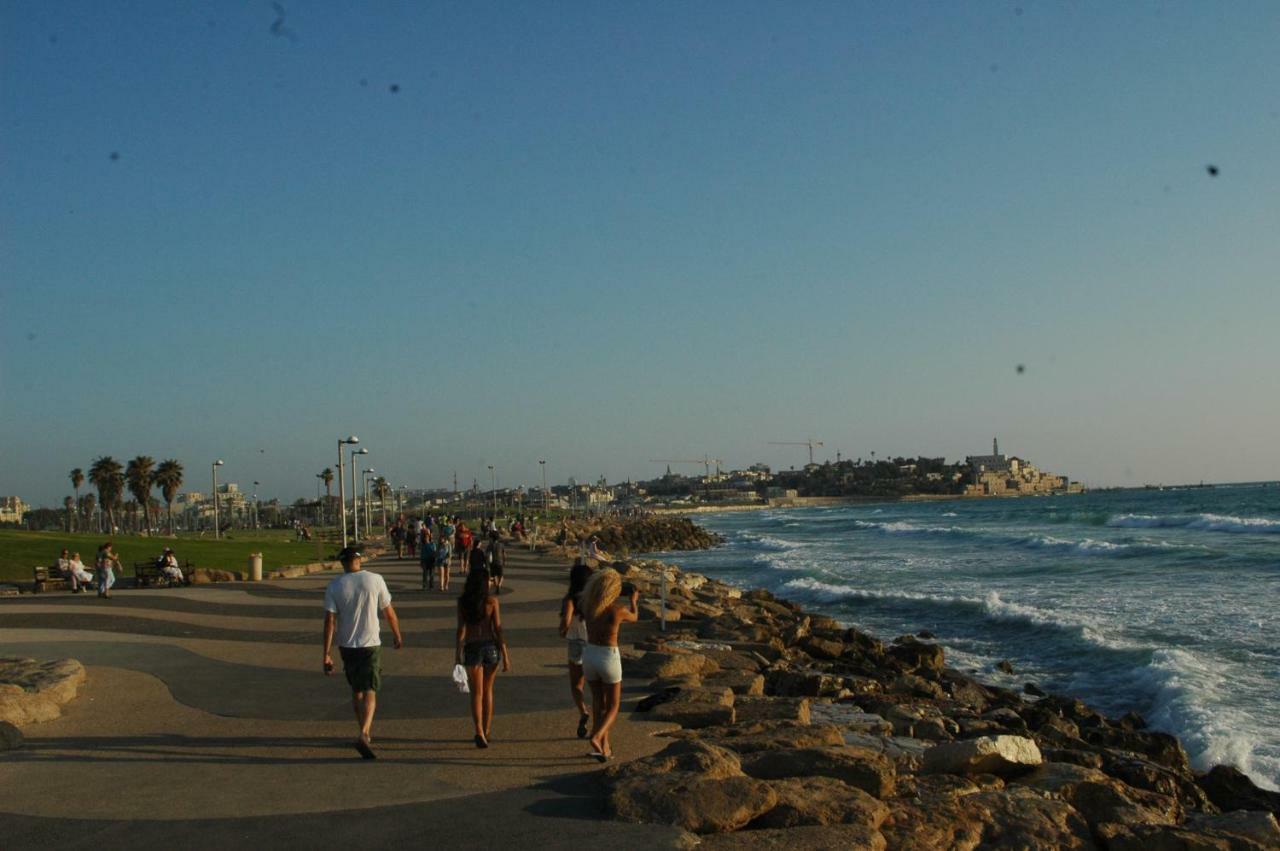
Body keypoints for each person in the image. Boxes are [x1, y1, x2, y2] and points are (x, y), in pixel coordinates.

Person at [322, 546, 404, 759]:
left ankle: (363, 731)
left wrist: (326, 653)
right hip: (370, 643)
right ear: (359, 560)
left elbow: (330, 622)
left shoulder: (334, 585)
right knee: (370, 690)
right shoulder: (375, 580)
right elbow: (388, 611)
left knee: (356, 689)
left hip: (347, 645)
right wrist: (397, 634)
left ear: (342, 563)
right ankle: (365, 732)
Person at [581, 567, 638, 762]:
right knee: (613, 705)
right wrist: (633, 601)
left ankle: (604, 747)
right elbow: (635, 617)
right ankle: (597, 737)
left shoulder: (589, 607)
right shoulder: (617, 611)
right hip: (608, 656)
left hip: (589, 655)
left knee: (598, 702)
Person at [455, 566, 509, 748]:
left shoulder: (463, 602)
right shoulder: (492, 602)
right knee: (488, 691)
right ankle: (487, 730)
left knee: (476, 693)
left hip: (472, 648)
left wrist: (457, 655)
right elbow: (498, 629)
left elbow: (461, 630)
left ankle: (478, 730)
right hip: (491, 647)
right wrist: (506, 655)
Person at [558, 560, 594, 738]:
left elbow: (566, 620)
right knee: (595, 684)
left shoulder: (570, 599)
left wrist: (562, 631)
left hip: (575, 643)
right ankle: (597, 720)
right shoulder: (593, 599)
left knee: (576, 684)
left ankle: (583, 711)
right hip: (592, 643)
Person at [486, 530, 507, 595]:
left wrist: (487, 563)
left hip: (492, 562)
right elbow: (504, 554)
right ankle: (499, 585)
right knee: (501, 575)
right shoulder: (501, 545)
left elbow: (487, 554)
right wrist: (505, 561)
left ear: (492, 538)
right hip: (500, 562)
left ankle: (496, 585)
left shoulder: (490, 545)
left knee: (494, 575)